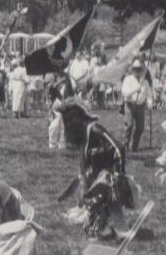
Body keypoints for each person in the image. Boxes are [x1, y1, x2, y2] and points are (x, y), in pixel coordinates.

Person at [56, 97, 135, 240]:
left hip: (110, 178)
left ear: (74, 119)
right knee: (92, 226)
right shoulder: (82, 136)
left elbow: (120, 148)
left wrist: (118, 174)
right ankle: (110, 228)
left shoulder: (95, 130)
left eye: (66, 120)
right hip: (97, 178)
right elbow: (84, 165)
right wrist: (83, 185)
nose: (65, 125)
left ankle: (120, 229)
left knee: (104, 193)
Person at [120, 60, 152, 151]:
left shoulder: (144, 82)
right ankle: (125, 146)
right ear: (132, 70)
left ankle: (135, 147)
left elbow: (148, 94)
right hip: (130, 105)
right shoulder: (128, 79)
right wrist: (135, 90)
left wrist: (149, 102)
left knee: (140, 127)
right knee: (129, 126)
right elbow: (125, 93)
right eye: (136, 69)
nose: (137, 71)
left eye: (139, 69)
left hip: (140, 106)